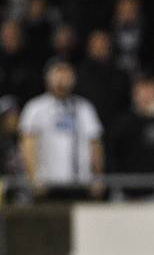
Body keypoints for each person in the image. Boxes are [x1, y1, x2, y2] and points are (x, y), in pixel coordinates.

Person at [19, 60, 104, 201]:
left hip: (80, 184)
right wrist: (33, 178)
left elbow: (95, 144)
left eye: (67, 76)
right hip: (48, 184)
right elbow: (28, 145)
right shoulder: (36, 108)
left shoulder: (84, 107)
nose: (62, 80)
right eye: (58, 75)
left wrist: (98, 177)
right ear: (48, 78)